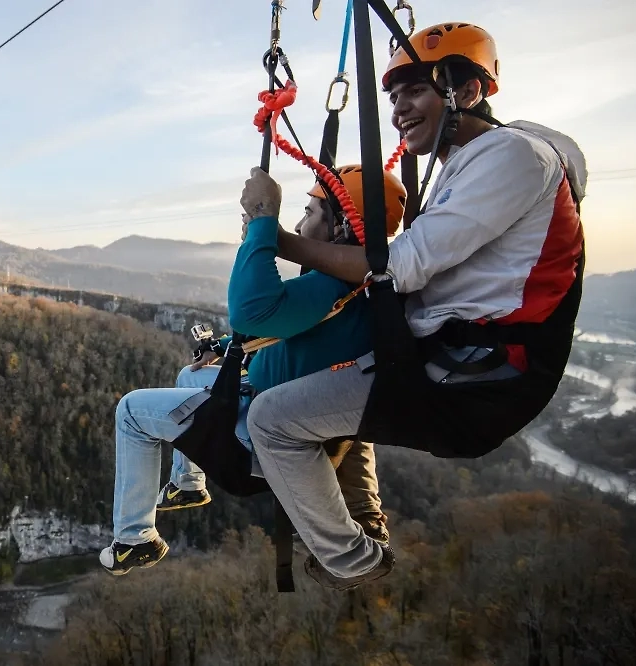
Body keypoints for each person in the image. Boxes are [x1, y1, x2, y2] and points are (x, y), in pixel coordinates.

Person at [239, 22, 587, 591]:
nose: (399, 109)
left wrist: (273, 234)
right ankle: (363, 527)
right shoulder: (471, 164)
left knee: (273, 421)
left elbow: (400, 265)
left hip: (481, 374)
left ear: (466, 91)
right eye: (394, 98)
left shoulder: (514, 157)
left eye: (415, 92)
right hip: (459, 357)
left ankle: (351, 558)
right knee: (328, 384)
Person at [99, 164, 408, 576]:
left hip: (255, 438)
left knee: (132, 412)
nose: (300, 223)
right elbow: (285, 331)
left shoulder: (333, 286)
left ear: (342, 228)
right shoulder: (356, 290)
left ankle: (134, 540)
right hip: (271, 406)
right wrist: (226, 349)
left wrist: (263, 223)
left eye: (311, 213)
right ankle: (187, 485)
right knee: (190, 377)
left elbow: (252, 310)